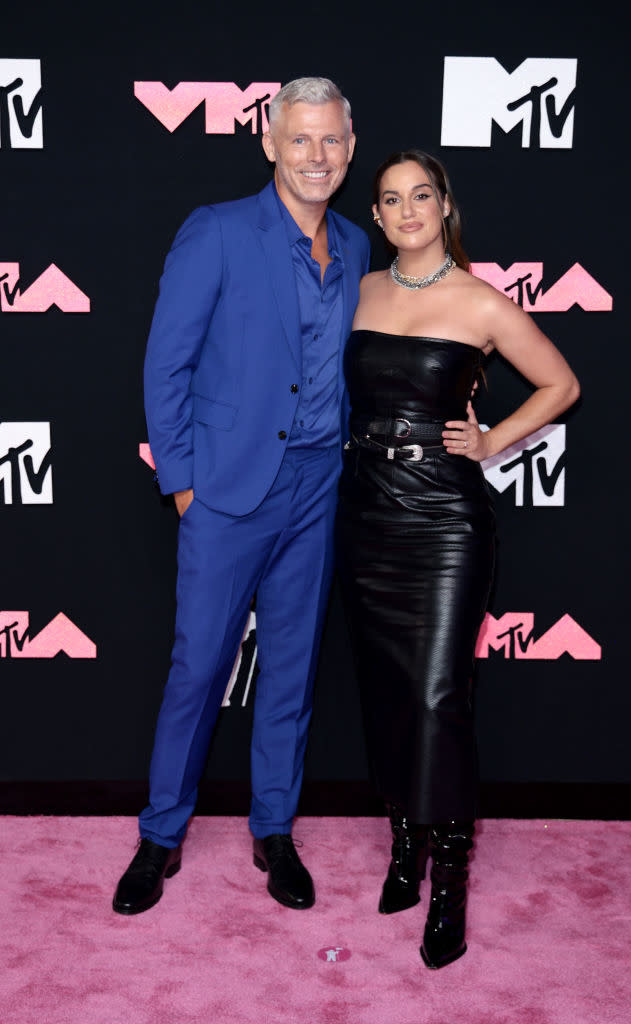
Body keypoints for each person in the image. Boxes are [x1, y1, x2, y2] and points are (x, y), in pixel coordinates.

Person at [113, 78, 369, 916]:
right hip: (227, 491)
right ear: (268, 143)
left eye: (330, 140)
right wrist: (183, 484)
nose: (315, 156)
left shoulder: (359, 247)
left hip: (316, 486)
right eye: (299, 140)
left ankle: (274, 831)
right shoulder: (218, 231)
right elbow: (166, 364)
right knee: (198, 668)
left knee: (291, 669)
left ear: (350, 146)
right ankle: (159, 837)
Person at [337, 150, 579, 968]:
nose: (407, 211)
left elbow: (559, 385)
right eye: (390, 200)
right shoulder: (358, 291)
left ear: (444, 205)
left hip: (443, 522)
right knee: (384, 691)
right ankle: (404, 848)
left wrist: (491, 440)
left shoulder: (479, 301)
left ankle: (449, 884)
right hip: (364, 513)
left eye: (421, 196)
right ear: (376, 216)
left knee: (438, 695)